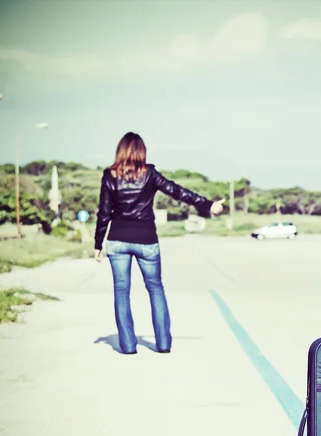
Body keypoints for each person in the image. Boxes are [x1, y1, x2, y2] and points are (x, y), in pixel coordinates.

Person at [94, 132, 224, 354]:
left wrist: (98, 243)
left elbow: (104, 212)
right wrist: (208, 205)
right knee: (155, 288)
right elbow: (178, 192)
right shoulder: (150, 174)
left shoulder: (110, 175)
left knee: (121, 292)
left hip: (117, 240)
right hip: (146, 240)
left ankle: (127, 346)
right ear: (141, 151)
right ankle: (163, 344)